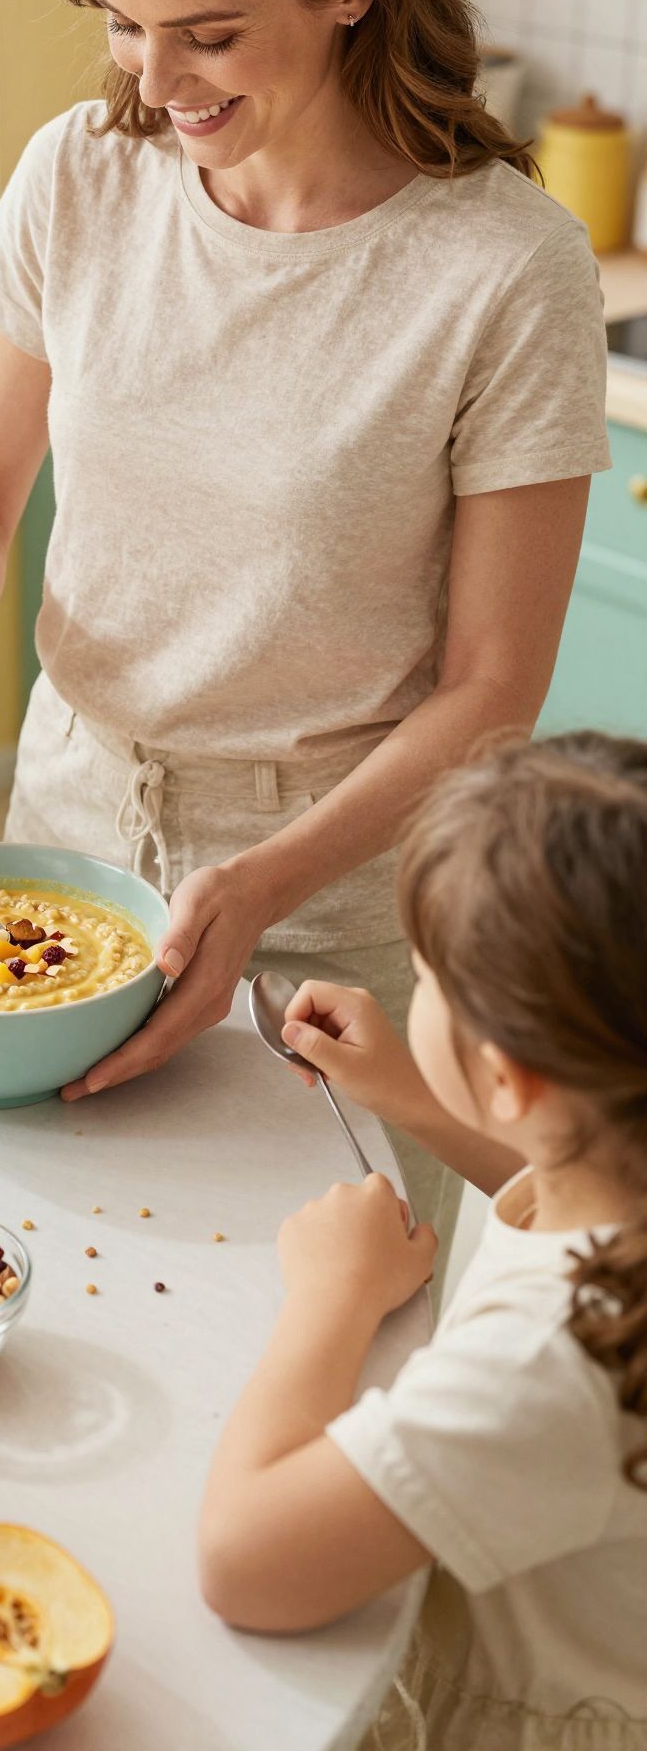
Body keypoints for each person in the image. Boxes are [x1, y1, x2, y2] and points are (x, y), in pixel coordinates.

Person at [0, 0, 610, 1251]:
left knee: (326, 1319)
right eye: (125, 28)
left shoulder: (504, 269)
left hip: (335, 913)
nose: (154, 82)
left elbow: (490, 690)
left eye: (207, 34)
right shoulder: (83, 174)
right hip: (66, 837)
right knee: (45, 1277)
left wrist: (260, 886)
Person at [199, 732, 647, 1751]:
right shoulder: (617, 1174)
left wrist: (334, 1295)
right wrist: (414, 1093)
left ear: (511, 1077)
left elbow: (242, 1558)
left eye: (424, 975)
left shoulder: (549, 1363)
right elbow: (563, 1177)